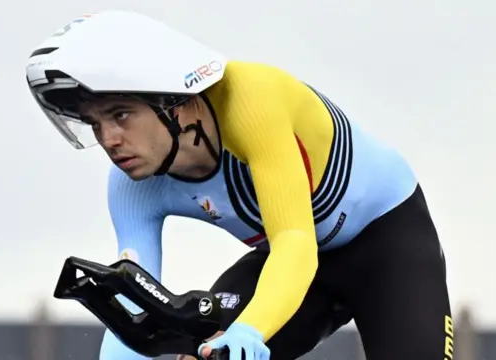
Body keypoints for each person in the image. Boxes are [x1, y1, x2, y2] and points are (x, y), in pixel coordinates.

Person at [25, 9, 454, 360]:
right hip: (290, 264)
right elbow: (136, 303)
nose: (108, 140)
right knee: (202, 352)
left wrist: (249, 329)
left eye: (120, 115)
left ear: (175, 100)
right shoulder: (129, 182)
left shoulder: (251, 102)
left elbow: (295, 245)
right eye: (94, 122)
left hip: (385, 244)